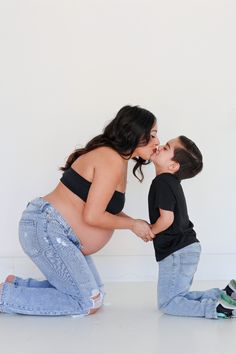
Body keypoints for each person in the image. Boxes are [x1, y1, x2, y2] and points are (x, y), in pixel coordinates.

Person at [0, 105, 159, 316]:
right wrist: (132, 225)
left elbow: (103, 207)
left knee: (97, 295)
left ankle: (16, 286)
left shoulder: (117, 159)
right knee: (86, 301)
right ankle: (5, 296)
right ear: (136, 133)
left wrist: (136, 224)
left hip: (55, 231)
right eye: (153, 135)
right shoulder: (110, 158)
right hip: (48, 229)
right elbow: (92, 215)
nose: (157, 142)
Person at [148, 135, 236, 319]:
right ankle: (225, 295)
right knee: (178, 297)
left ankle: (217, 309)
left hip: (176, 251)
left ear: (173, 166)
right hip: (185, 248)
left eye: (166, 148)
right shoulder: (170, 182)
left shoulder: (162, 181)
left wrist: (150, 231)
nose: (160, 146)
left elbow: (166, 219)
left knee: (169, 303)